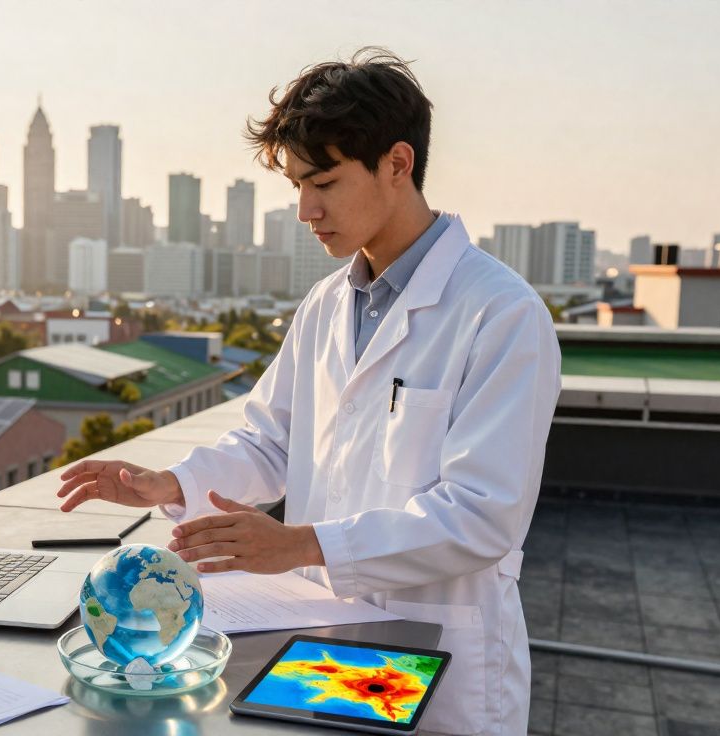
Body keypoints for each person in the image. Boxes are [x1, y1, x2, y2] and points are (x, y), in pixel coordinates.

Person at [57, 47, 560, 735]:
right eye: (296, 184)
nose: (304, 209)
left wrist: (301, 545)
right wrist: (170, 485)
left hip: (443, 652)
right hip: (331, 645)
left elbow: (482, 515)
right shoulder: (328, 304)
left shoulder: (501, 314)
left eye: (322, 181)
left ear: (397, 164)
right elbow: (271, 438)